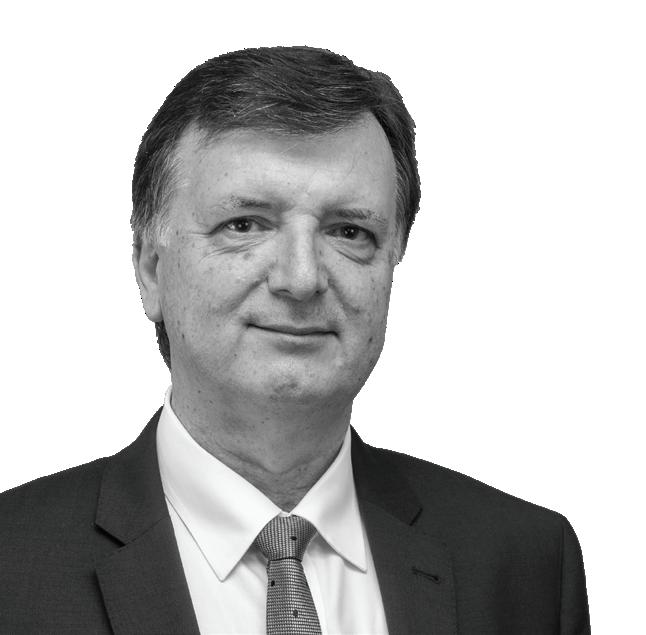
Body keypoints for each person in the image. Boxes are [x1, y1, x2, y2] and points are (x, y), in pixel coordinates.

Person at [0, 46, 590, 634]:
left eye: (349, 231)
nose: (301, 278)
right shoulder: (13, 562)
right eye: (245, 224)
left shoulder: (525, 562)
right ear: (151, 269)